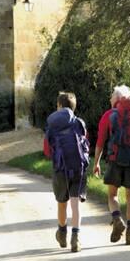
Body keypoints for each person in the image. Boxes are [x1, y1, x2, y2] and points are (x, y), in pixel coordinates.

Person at [93, 85, 130, 245]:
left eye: (112, 95)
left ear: (117, 99)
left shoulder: (109, 116)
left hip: (114, 159)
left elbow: (100, 142)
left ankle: (117, 219)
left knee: (112, 195)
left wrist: (96, 162)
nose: (110, 98)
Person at [44, 92, 90, 252]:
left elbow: (47, 150)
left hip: (60, 168)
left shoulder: (52, 125)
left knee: (62, 204)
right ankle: (75, 238)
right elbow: (86, 144)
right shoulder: (79, 123)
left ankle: (62, 232)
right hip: (78, 167)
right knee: (75, 204)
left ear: (59, 106)